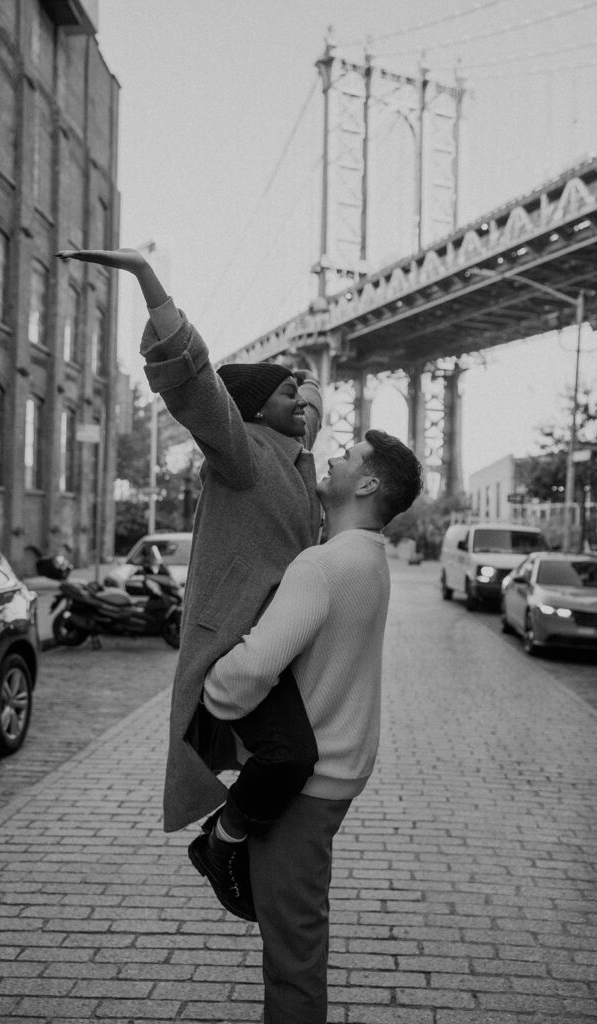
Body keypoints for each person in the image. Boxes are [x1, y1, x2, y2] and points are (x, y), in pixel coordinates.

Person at [55, 248, 324, 871]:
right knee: (290, 758)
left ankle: (247, 857)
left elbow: (310, 407)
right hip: (238, 644)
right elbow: (200, 386)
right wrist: (148, 281)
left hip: (277, 645)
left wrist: (305, 406)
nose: (303, 403)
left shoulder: (295, 463)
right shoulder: (243, 452)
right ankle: (219, 842)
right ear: (254, 409)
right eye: (289, 393)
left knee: (291, 763)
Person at [202, 428, 422, 1024]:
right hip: (331, 776)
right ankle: (224, 843)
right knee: (295, 940)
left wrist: (207, 686)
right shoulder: (368, 557)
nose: (332, 456)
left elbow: (253, 667)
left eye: (348, 456)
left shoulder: (323, 565)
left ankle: (222, 842)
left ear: (369, 483)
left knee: (292, 957)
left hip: (304, 786)